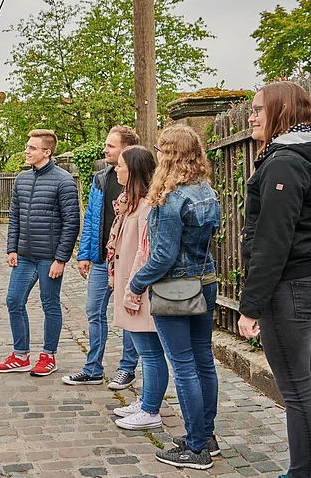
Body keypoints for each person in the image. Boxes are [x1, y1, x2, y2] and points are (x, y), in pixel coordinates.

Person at [128, 124, 220, 470]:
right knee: (203, 362)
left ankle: (196, 448)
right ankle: (206, 435)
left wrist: (136, 284)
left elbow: (163, 256)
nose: (157, 154)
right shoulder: (206, 191)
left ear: (169, 155)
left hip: (174, 288)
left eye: (160, 149)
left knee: (183, 367)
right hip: (205, 281)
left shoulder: (171, 199)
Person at [238, 82, 311, 478]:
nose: (251, 117)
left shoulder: (285, 161)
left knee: (299, 391)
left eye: (258, 110)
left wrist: (251, 307)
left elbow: (272, 240)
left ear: (281, 112)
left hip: (290, 290)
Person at [0, 129, 80, 376]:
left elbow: (72, 223)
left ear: (46, 152)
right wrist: (12, 248)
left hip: (50, 257)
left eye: (32, 147)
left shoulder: (63, 181)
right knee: (14, 300)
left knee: (49, 304)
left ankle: (48, 356)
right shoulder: (21, 179)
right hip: (25, 255)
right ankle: (20, 356)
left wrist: (61, 259)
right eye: (27, 146)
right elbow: (15, 216)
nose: (27, 151)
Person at [63, 126, 141, 389]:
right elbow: (92, 220)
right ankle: (93, 368)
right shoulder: (100, 179)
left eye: (111, 145)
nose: (105, 150)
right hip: (101, 259)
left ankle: (127, 368)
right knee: (94, 311)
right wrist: (84, 254)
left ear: (126, 148)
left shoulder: (142, 183)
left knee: (128, 314)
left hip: (128, 261)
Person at [103, 145, 167, 431]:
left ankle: (151, 409)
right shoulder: (129, 203)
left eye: (121, 165)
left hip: (139, 290)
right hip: (129, 286)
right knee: (146, 350)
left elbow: (147, 252)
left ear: (135, 170)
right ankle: (146, 400)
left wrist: (134, 287)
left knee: (150, 352)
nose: (116, 168)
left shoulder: (146, 207)